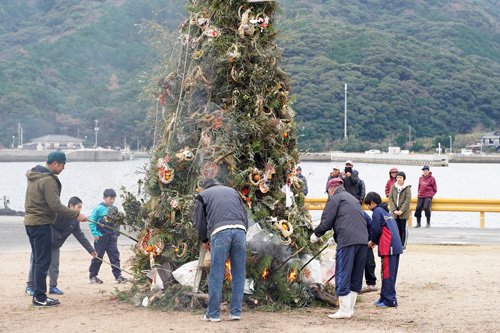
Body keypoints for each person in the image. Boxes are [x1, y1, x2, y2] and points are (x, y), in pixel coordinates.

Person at [24, 151, 87, 307]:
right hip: (41, 223)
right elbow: (56, 205)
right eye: (63, 164)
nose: (64, 168)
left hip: (30, 222)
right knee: (43, 262)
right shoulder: (48, 180)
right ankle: (40, 297)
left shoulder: (34, 176)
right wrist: (76, 214)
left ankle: (38, 294)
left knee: (38, 260)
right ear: (55, 164)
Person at [310, 178, 368, 319]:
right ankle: (350, 310)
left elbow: (327, 220)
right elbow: (348, 220)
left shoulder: (335, 198)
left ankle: (343, 310)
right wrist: (335, 238)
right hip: (362, 240)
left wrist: (316, 235)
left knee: (342, 272)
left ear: (331, 189)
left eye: (328, 192)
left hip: (347, 241)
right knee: (355, 274)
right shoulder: (353, 199)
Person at [194, 178, 248, 322]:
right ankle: (236, 312)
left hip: (220, 231)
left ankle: (213, 314)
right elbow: (244, 215)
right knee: (238, 273)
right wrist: (242, 233)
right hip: (240, 230)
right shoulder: (233, 192)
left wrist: (204, 240)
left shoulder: (203, 195)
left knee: (217, 273)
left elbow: (199, 222)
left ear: (204, 188)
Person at [26, 197, 97, 296]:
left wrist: (91, 250)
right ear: (71, 206)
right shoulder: (60, 214)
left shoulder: (75, 222)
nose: (80, 210)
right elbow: (47, 224)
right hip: (43, 241)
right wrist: (57, 235)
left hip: (55, 245)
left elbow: (81, 237)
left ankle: (53, 287)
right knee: (36, 263)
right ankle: (30, 286)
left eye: (81, 208)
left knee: (54, 265)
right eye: (78, 207)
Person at [364, 192, 403, 308]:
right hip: (395, 245)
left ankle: (390, 299)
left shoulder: (377, 212)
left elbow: (376, 229)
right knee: (386, 273)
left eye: (368, 205)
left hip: (389, 246)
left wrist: (372, 241)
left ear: (372, 203)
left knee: (388, 273)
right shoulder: (385, 211)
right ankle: (384, 297)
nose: (368, 208)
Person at [88, 188, 127, 284]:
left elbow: (117, 222)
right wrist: (96, 234)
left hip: (112, 237)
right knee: (98, 256)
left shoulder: (114, 209)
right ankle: (93, 276)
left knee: (115, 256)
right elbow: (91, 222)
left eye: (114, 199)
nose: (112, 201)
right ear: (104, 198)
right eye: (110, 199)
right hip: (101, 237)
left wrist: (117, 233)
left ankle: (118, 276)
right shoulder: (98, 209)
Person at [388, 171, 411, 249]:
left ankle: (403, 245)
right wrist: (394, 209)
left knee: (403, 229)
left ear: (404, 178)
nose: (399, 179)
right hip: (395, 212)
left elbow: (407, 200)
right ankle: (397, 244)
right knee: (396, 229)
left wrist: (401, 210)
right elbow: (390, 198)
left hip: (403, 212)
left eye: (400, 177)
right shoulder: (393, 187)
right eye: (397, 177)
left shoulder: (407, 187)